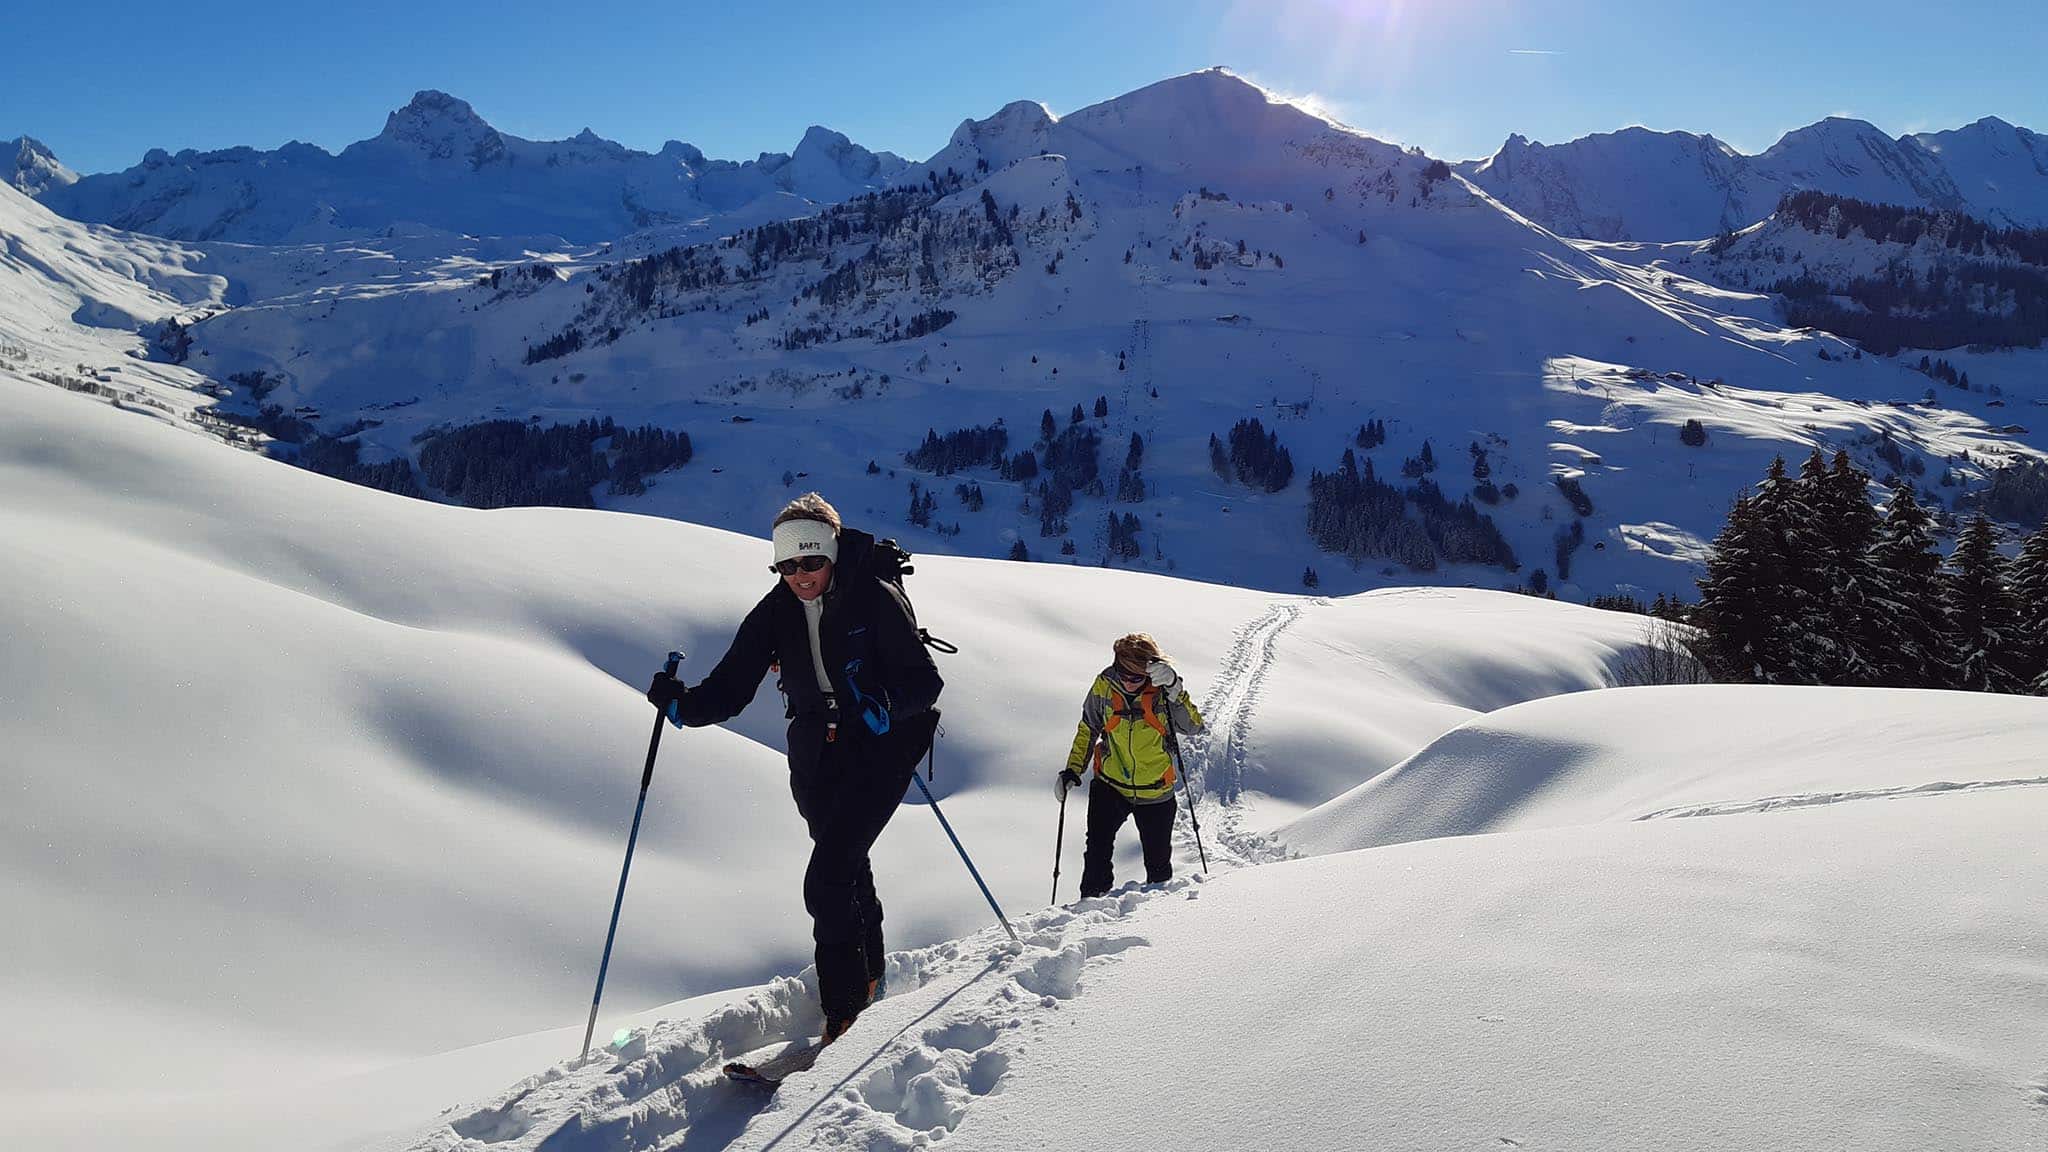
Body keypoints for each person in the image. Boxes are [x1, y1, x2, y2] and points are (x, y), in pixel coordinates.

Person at [646, 493, 942, 1042]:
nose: (800, 575)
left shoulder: (875, 599)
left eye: (811, 561)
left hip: (880, 749)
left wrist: (887, 707)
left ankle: (846, 1010)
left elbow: (926, 683)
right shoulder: (774, 611)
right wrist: (681, 705)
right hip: (815, 753)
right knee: (847, 866)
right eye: (787, 564)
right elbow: (732, 687)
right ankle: (871, 974)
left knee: (827, 879)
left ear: (831, 552)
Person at [1056, 634, 1203, 898]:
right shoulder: (1104, 685)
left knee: (1158, 868)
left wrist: (1174, 687)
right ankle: (1088, 911)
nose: (1128, 681)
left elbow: (1193, 726)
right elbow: (1088, 728)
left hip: (1155, 791)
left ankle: (1161, 919)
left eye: (1136, 677)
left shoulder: (1163, 688)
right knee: (1096, 854)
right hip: (1110, 786)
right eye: (1123, 673)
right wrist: (1072, 770)